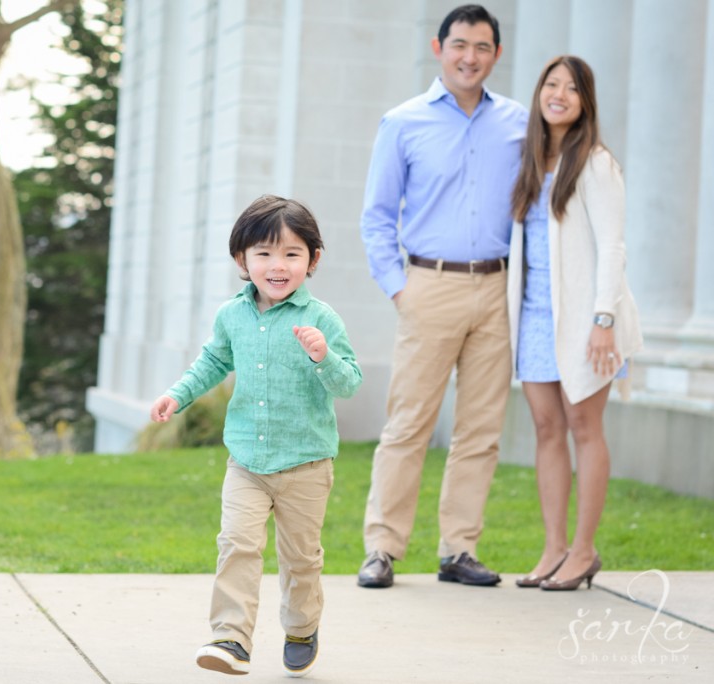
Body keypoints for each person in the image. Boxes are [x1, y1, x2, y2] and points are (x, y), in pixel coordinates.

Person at [150, 194, 362, 677]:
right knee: (237, 545)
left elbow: (348, 384)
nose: (278, 265)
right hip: (246, 461)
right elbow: (213, 362)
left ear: (313, 260)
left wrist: (322, 355)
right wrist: (176, 395)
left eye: (292, 254)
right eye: (264, 253)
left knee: (301, 558)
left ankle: (302, 626)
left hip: (306, 464)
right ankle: (231, 637)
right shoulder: (232, 315)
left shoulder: (322, 320)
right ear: (242, 260)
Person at [356, 4, 528, 589]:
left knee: (481, 430)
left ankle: (459, 550)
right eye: (460, 45)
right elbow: (376, 217)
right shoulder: (402, 122)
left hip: (499, 289)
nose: (470, 56)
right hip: (428, 285)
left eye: (482, 47)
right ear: (440, 47)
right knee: (409, 424)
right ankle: (382, 548)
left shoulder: (518, 124)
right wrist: (400, 290)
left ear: (496, 55)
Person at [508, 55, 642, 591]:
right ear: (540, 92)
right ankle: (554, 549)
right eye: (551, 84)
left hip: (587, 319)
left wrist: (604, 319)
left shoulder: (596, 163)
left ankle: (584, 551)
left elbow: (613, 246)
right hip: (537, 316)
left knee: (584, 428)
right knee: (546, 430)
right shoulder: (530, 162)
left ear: (585, 102)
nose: (558, 93)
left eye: (571, 88)